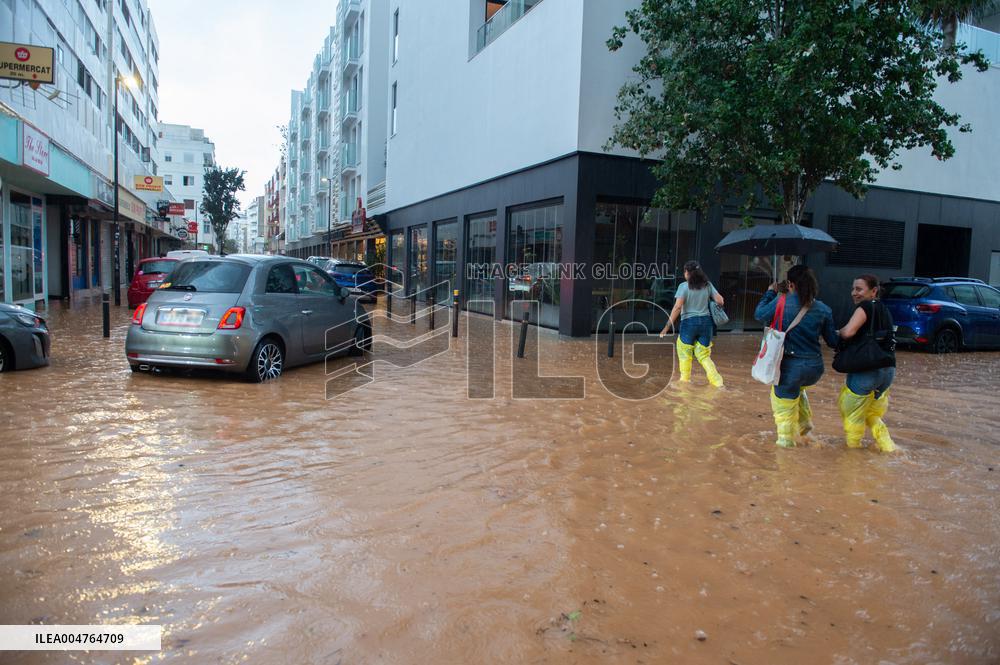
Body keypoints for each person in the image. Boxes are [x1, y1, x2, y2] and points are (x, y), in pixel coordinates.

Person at [754, 265, 838, 448]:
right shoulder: (823, 308)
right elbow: (833, 341)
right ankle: (805, 429)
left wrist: (770, 293)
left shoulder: (781, 301)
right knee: (798, 390)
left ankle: (786, 448)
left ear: (790, 284)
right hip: (814, 369)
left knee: (783, 406)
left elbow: (759, 314)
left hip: (790, 368)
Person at [837, 274, 897, 452]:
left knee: (852, 414)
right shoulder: (885, 310)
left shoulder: (865, 307)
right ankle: (888, 447)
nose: (854, 293)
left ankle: (853, 455)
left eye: (859, 289)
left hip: (867, 369)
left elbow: (848, 332)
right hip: (887, 371)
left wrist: (838, 331)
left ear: (873, 291)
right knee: (871, 414)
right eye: (853, 289)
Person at [659, 260, 725, 387]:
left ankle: (685, 382)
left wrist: (666, 327)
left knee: (684, 352)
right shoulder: (708, 285)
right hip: (706, 323)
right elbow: (720, 301)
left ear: (688, 273)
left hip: (689, 323)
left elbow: (677, 307)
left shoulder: (683, 286)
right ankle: (718, 383)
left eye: (685, 271)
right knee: (703, 355)